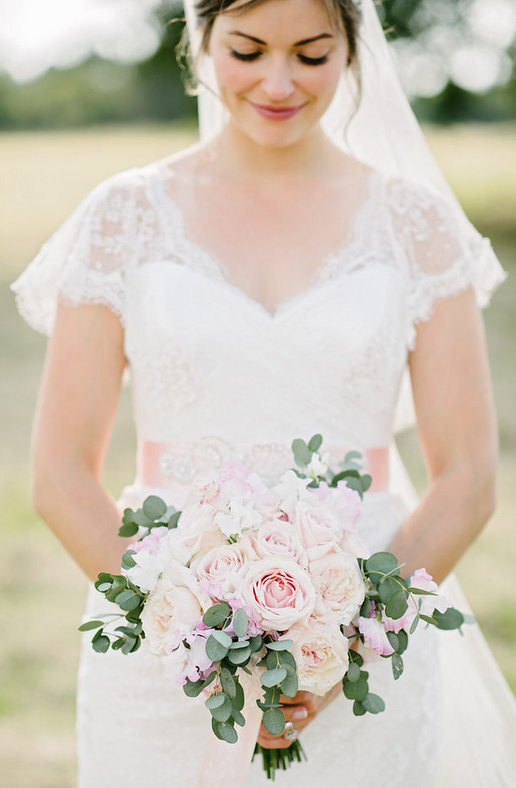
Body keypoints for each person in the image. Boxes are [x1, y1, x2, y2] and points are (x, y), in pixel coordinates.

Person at [11, 0, 516, 785]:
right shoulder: (124, 216)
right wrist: (181, 629)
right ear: (201, 39)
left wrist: (340, 642)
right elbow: (59, 474)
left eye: (312, 55)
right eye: (248, 49)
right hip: (163, 639)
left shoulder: (415, 224)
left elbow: (469, 479)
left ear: (353, 50)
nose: (278, 82)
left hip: (362, 619)